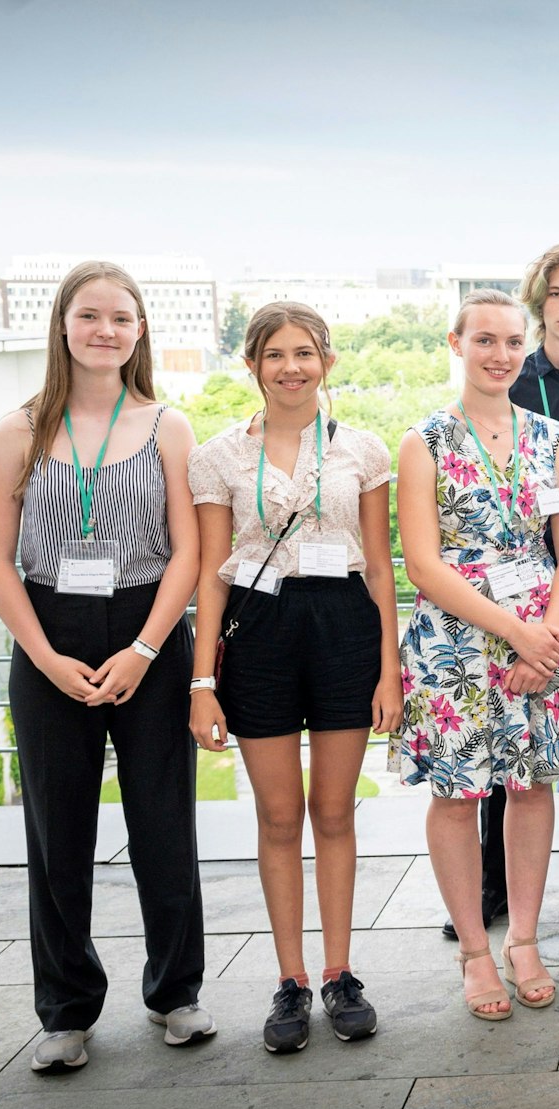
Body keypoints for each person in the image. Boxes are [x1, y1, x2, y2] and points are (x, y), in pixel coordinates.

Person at [0, 261, 210, 1073]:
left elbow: (189, 552)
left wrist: (145, 649)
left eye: (121, 317)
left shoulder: (168, 427)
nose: (105, 330)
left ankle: (176, 992)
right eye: (89, 315)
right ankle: (66, 1011)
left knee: (164, 823)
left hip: (148, 628)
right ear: (62, 325)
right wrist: (43, 656)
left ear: (140, 330)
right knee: (57, 833)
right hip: (49, 629)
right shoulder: (18, 431)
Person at [188, 301, 398, 1051]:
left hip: (344, 627)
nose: (291, 367)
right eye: (274, 354)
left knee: (334, 812)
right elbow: (211, 575)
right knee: (278, 817)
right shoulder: (216, 456)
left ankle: (340, 972)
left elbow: (380, 566)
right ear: (251, 365)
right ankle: (291, 980)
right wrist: (201, 683)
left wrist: (389, 668)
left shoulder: (363, 449)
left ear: (327, 362)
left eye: (304, 353)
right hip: (259, 632)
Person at [395, 289, 559, 1019]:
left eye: (513, 341)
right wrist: (515, 631)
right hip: (456, 643)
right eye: (485, 340)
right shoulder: (424, 441)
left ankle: (526, 940)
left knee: (533, 786)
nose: (501, 354)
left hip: (544, 633)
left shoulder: (552, 436)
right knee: (457, 794)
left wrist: (548, 636)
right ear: (456, 344)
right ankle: (476, 952)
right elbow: (423, 564)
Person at [439, 242, 559, 941]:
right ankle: (492, 881)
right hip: (506, 584)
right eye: (557, 294)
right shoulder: (512, 374)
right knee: (503, 733)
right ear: (539, 303)